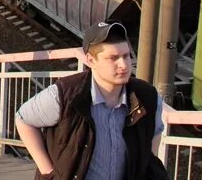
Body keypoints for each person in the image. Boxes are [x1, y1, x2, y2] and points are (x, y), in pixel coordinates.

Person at [14, 21, 167, 180]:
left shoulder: (147, 97)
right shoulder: (65, 94)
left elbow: (155, 133)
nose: (123, 65)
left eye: (126, 56)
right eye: (113, 58)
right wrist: (48, 172)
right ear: (91, 60)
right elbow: (23, 119)